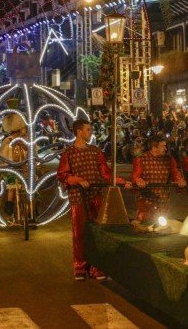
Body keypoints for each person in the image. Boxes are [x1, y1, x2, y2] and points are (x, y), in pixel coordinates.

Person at [57, 119, 131, 281]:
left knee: (98, 232)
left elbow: (105, 173)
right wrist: (76, 180)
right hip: (78, 198)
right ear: (79, 131)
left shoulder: (96, 151)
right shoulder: (68, 153)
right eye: (88, 130)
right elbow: (63, 175)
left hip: (96, 195)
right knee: (80, 233)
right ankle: (80, 267)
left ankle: (97, 268)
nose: (90, 133)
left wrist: (121, 181)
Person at [131, 135, 186, 223]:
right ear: (154, 148)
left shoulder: (169, 159)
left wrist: (179, 180)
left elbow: (176, 173)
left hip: (163, 199)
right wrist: (138, 180)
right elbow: (135, 176)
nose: (166, 149)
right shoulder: (141, 159)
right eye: (163, 146)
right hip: (146, 200)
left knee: (161, 228)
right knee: (145, 225)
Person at [0, 113, 28, 219]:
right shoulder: (7, 141)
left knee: (29, 188)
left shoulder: (24, 141)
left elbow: (30, 153)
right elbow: (2, 155)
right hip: (10, 169)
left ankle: (31, 210)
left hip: (22, 169)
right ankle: (9, 210)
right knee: (11, 188)